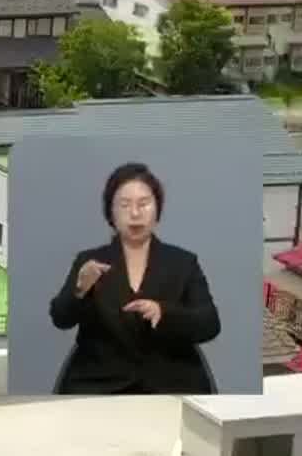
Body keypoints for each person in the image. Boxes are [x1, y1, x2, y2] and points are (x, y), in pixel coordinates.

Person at [49, 161, 221, 395]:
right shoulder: (89, 261)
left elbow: (210, 324)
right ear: (111, 212)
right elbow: (60, 318)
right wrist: (80, 289)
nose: (135, 213)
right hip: (100, 382)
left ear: (157, 209)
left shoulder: (183, 262)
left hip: (171, 381)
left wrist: (164, 312)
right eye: (125, 205)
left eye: (144, 204)